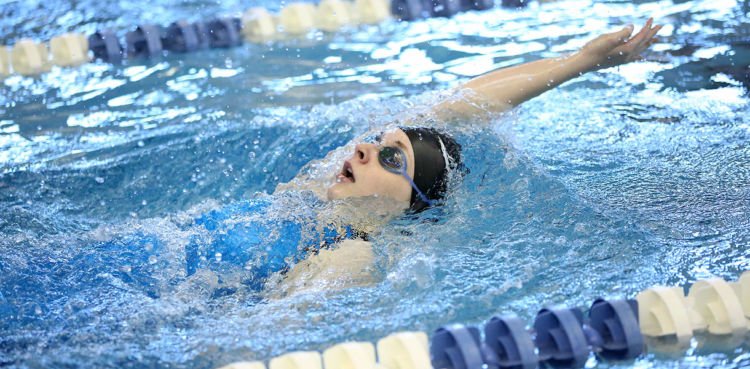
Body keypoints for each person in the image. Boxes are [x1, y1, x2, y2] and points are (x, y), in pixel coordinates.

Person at [90, 20, 664, 296]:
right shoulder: (312, 194)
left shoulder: (351, 259)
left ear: (410, 209)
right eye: (377, 141)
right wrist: (576, 63)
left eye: (389, 161)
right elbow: (459, 105)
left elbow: (252, 342)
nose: (363, 148)